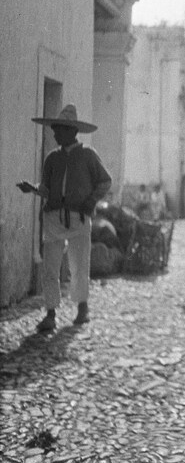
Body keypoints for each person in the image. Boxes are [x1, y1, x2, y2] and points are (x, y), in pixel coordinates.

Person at [17, 104, 112, 333]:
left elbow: (105, 181)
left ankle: (82, 307)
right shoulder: (52, 159)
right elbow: (47, 189)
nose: (55, 134)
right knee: (51, 267)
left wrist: (91, 201)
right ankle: (50, 314)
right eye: (54, 130)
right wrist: (34, 188)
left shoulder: (88, 155)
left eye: (59, 130)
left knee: (79, 264)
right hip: (54, 218)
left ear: (72, 131)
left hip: (79, 217)